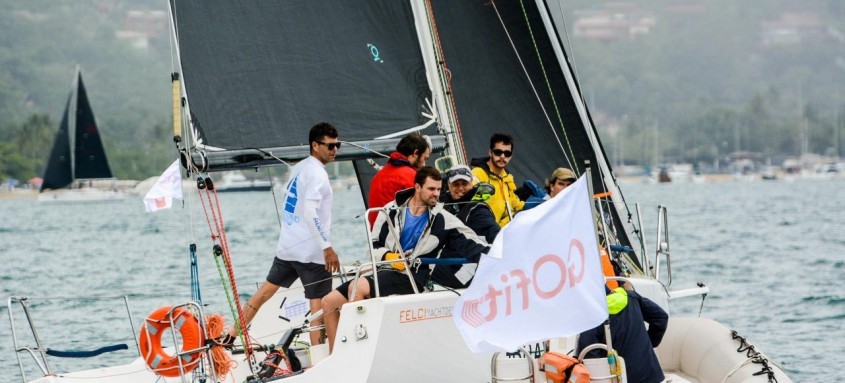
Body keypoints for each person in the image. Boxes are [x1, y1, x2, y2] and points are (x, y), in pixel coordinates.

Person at [322, 166, 489, 352]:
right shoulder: (390, 211)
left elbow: (473, 244)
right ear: (418, 187)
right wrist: (388, 256)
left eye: (439, 189)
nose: (436, 194)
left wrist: (498, 257)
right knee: (328, 302)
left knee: (357, 287)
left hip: (414, 277)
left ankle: (358, 353)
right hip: (386, 270)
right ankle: (335, 356)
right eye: (431, 189)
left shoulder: (444, 219)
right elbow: (373, 245)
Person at [224, 122, 341, 347]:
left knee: (264, 293)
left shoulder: (300, 167)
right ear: (315, 145)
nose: (335, 150)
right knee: (317, 310)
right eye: (330, 145)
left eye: (337, 145)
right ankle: (319, 360)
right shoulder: (318, 174)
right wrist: (327, 247)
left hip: (288, 248)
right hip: (311, 254)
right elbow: (309, 212)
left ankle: (231, 335)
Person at [576, 283, 668, 383]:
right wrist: (649, 342)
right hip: (653, 377)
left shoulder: (592, 316)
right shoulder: (631, 297)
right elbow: (661, 317)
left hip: (622, 379)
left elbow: (591, 359)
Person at [432, 165, 500, 288]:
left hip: (465, 272)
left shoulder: (477, 210)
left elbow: (497, 236)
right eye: (456, 184)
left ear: (471, 184)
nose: (460, 188)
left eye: (465, 183)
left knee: (421, 271)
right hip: (448, 265)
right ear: (449, 186)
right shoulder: (444, 204)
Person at [367, 133, 430, 227]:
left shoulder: (378, 176)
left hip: (376, 237)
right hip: (397, 237)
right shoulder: (411, 176)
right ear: (415, 153)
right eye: (424, 158)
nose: (424, 164)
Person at [470, 133, 524, 227]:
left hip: (502, 231)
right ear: (490, 152)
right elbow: (470, 204)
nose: (503, 156)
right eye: (498, 152)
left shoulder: (507, 177)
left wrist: (544, 203)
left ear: (511, 156)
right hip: (482, 232)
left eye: (507, 153)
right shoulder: (477, 173)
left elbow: (516, 204)